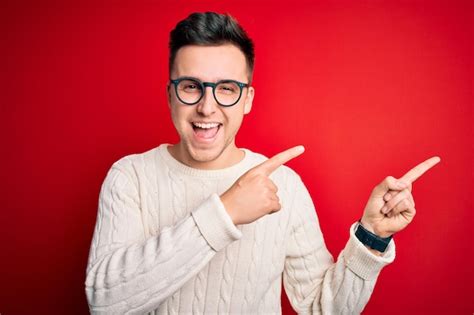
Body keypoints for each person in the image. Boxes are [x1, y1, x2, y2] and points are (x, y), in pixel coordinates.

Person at [85, 11, 440, 314]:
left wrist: (371, 237)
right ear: (170, 95)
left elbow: (321, 308)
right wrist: (224, 212)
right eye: (191, 86)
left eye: (226, 89)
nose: (207, 107)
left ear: (248, 99)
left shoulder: (284, 185)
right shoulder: (130, 177)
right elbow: (104, 303)